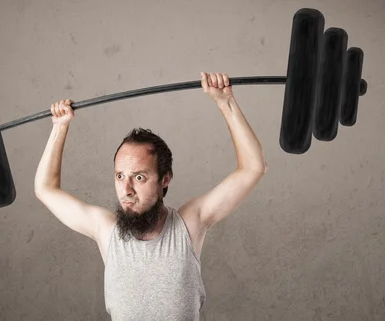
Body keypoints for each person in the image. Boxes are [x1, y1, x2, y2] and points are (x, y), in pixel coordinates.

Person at [34, 72, 267, 320]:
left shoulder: (188, 224)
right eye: (120, 176)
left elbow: (253, 168)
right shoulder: (106, 230)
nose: (127, 190)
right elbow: (45, 189)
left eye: (139, 177)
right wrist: (59, 127)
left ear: (165, 179)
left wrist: (226, 102)